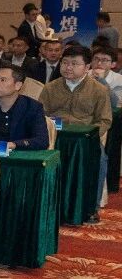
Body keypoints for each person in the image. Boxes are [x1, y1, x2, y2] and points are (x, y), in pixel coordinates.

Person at [41, 44, 112, 222]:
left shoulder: (99, 90)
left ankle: (91, 208)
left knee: (101, 159)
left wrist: (91, 137)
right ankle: (46, 206)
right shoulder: (50, 88)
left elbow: (105, 120)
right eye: (65, 63)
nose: (68, 67)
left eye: (74, 64)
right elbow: (40, 116)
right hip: (55, 137)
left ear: (87, 67)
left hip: (85, 140)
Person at [0, 65, 49, 151]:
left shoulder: (33, 107)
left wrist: (14, 145)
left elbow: (42, 141)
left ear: (17, 85)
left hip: (18, 156)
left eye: (3, 80)